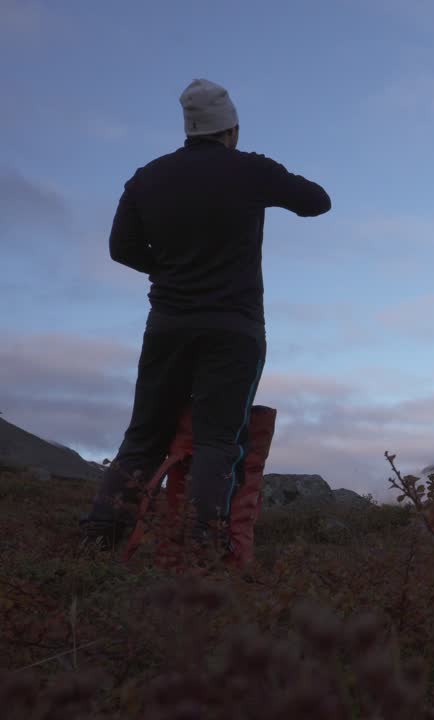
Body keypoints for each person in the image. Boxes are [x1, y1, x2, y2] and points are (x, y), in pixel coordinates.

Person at [80, 78, 331, 552]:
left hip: (168, 323)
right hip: (235, 328)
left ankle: (99, 538)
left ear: (189, 129)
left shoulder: (147, 177)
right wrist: (264, 177)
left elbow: (120, 248)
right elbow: (318, 202)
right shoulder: (251, 170)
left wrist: (170, 269)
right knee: (218, 441)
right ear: (231, 129)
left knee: (144, 435)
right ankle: (202, 550)